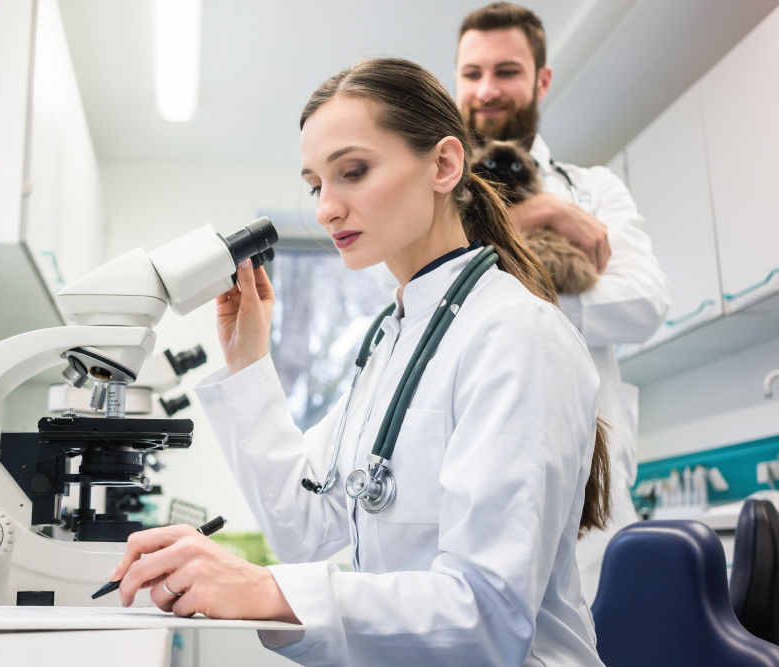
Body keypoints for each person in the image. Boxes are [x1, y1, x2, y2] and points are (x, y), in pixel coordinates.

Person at [109, 56, 611, 666]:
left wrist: (263, 588)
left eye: (353, 171)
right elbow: (305, 528)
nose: (325, 210)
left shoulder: (516, 335)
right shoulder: (393, 340)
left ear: (445, 165)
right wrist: (248, 364)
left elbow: (486, 616)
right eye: (317, 185)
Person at [455, 1, 670, 602]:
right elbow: (430, 290)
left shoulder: (593, 188)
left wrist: (518, 289)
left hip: (589, 509)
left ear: (542, 79)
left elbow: (645, 301)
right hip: (465, 492)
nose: (487, 89)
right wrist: (538, 214)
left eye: (507, 70)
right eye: (472, 73)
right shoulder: (433, 196)